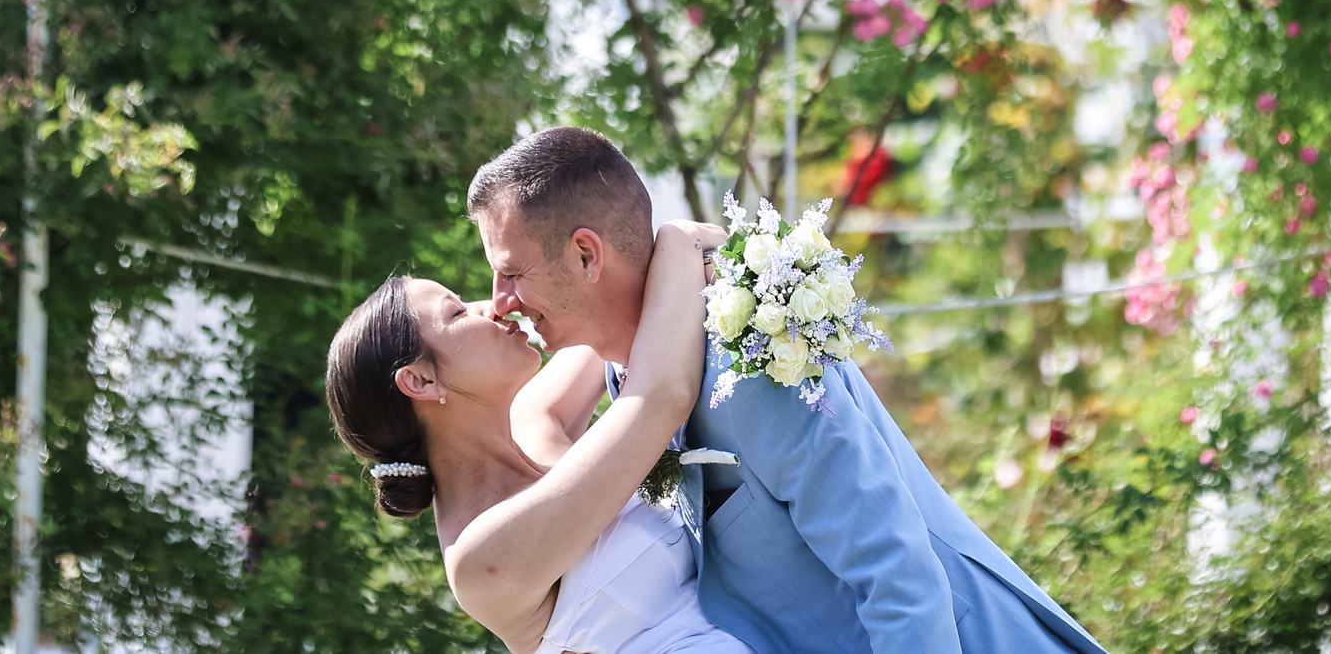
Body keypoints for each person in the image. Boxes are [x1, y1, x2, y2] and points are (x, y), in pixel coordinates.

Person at [469, 127, 1109, 654]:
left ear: (586, 254)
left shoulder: (744, 367)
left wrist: (680, 242)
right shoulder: (628, 378)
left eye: (511, 273)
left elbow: (899, 578)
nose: (499, 302)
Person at [327, 216, 753, 654]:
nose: (493, 307)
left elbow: (613, 310)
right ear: (420, 381)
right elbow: (662, 396)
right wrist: (680, 239)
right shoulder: (479, 563)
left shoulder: (535, 421)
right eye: (456, 312)